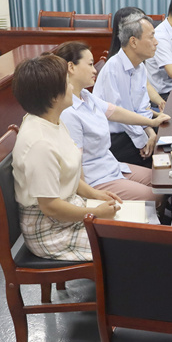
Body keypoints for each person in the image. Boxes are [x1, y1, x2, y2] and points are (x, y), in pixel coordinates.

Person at [11, 54, 121, 261]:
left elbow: (67, 175)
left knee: (133, 232)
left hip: (68, 212)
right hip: (51, 231)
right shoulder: (40, 143)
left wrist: (95, 194)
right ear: (54, 97)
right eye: (67, 83)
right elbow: (50, 206)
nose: (72, 87)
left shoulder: (53, 119)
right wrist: (95, 212)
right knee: (128, 246)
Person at [53, 41, 166, 206]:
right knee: (155, 195)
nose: (94, 70)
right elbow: (76, 163)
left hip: (110, 165)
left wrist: (151, 122)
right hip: (96, 178)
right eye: (90, 64)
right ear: (71, 67)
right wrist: (89, 198)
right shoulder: (68, 111)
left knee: (162, 180)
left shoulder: (85, 95)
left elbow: (116, 112)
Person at [94, 11, 172, 167]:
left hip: (132, 130)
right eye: (151, 37)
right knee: (162, 154)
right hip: (112, 138)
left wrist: (150, 133)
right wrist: (142, 140)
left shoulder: (140, 67)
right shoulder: (113, 69)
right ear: (133, 42)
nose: (156, 42)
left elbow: (141, 109)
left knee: (169, 137)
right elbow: (121, 115)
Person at [108, 7, 166, 111]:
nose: (156, 42)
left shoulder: (139, 64)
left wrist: (162, 105)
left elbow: (142, 103)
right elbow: (121, 112)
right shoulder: (114, 68)